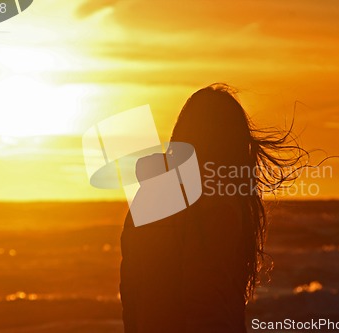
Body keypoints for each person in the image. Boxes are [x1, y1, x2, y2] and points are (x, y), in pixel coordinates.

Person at [120, 83, 306, 333]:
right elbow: (206, 300)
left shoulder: (148, 197)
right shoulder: (216, 201)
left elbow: (131, 292)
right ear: (231, 142)